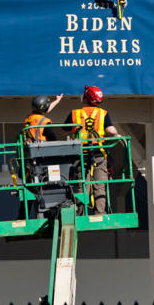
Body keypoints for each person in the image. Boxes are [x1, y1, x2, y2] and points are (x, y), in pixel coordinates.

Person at [63, 85, 119, 215]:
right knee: (100, 184)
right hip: (99, 153)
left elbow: (63, 130)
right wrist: (117, 135)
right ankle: (100, 212)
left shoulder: (75, 114)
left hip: (81, 154)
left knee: (82, 185)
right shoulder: (103, 114)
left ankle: (80, 213)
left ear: (86, 97)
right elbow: (111, 130)